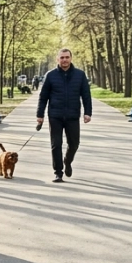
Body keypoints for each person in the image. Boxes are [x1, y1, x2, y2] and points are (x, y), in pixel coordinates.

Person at [36, 48, 92, 183]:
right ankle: (58, 172)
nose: (64, 60)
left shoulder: (80, 75)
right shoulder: (50, 75)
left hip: (73, 115)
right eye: (62, 58)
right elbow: (43, 97)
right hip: (55, 115)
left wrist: (88, 112)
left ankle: (67, 161)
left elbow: (86, 95)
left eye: (67, 57)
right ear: (57, 59)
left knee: (74, 144)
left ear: (71, 58)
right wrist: (40, 114)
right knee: (56, 144)